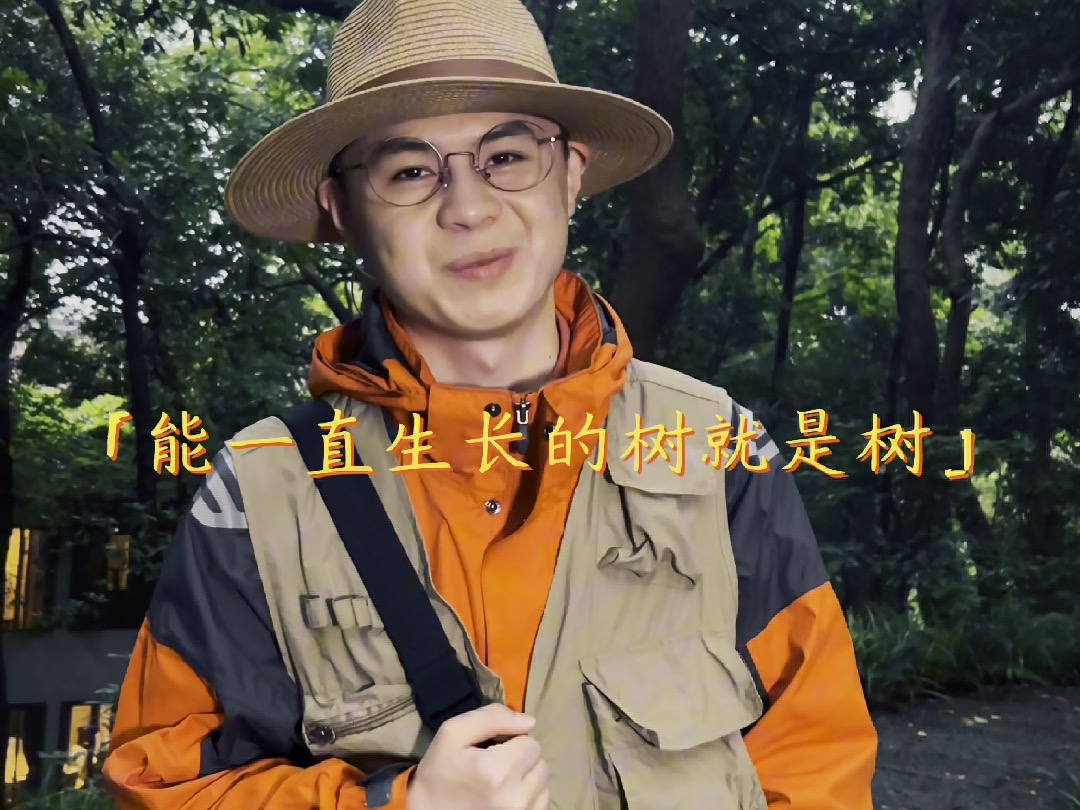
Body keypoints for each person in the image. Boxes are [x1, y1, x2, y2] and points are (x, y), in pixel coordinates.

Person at [101, 0, 878, 808]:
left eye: (507, 155)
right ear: (342, 212)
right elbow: (169, 781)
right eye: (409, 172)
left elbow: (816, 762)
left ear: (570, 177)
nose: (468, 208)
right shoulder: (262, 490)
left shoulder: (713, 446)